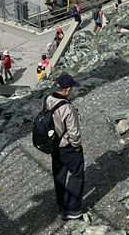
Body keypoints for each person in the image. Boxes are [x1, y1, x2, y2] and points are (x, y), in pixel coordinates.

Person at [46, 72, 84, 220]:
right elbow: (74, 133)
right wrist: (77, 147)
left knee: (59, 174)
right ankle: (72, 209)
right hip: (67, 146)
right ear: (67, 89)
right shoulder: (67, 108)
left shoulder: (48, 99)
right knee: (76, 174)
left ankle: (62, 207)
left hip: (53, 144)